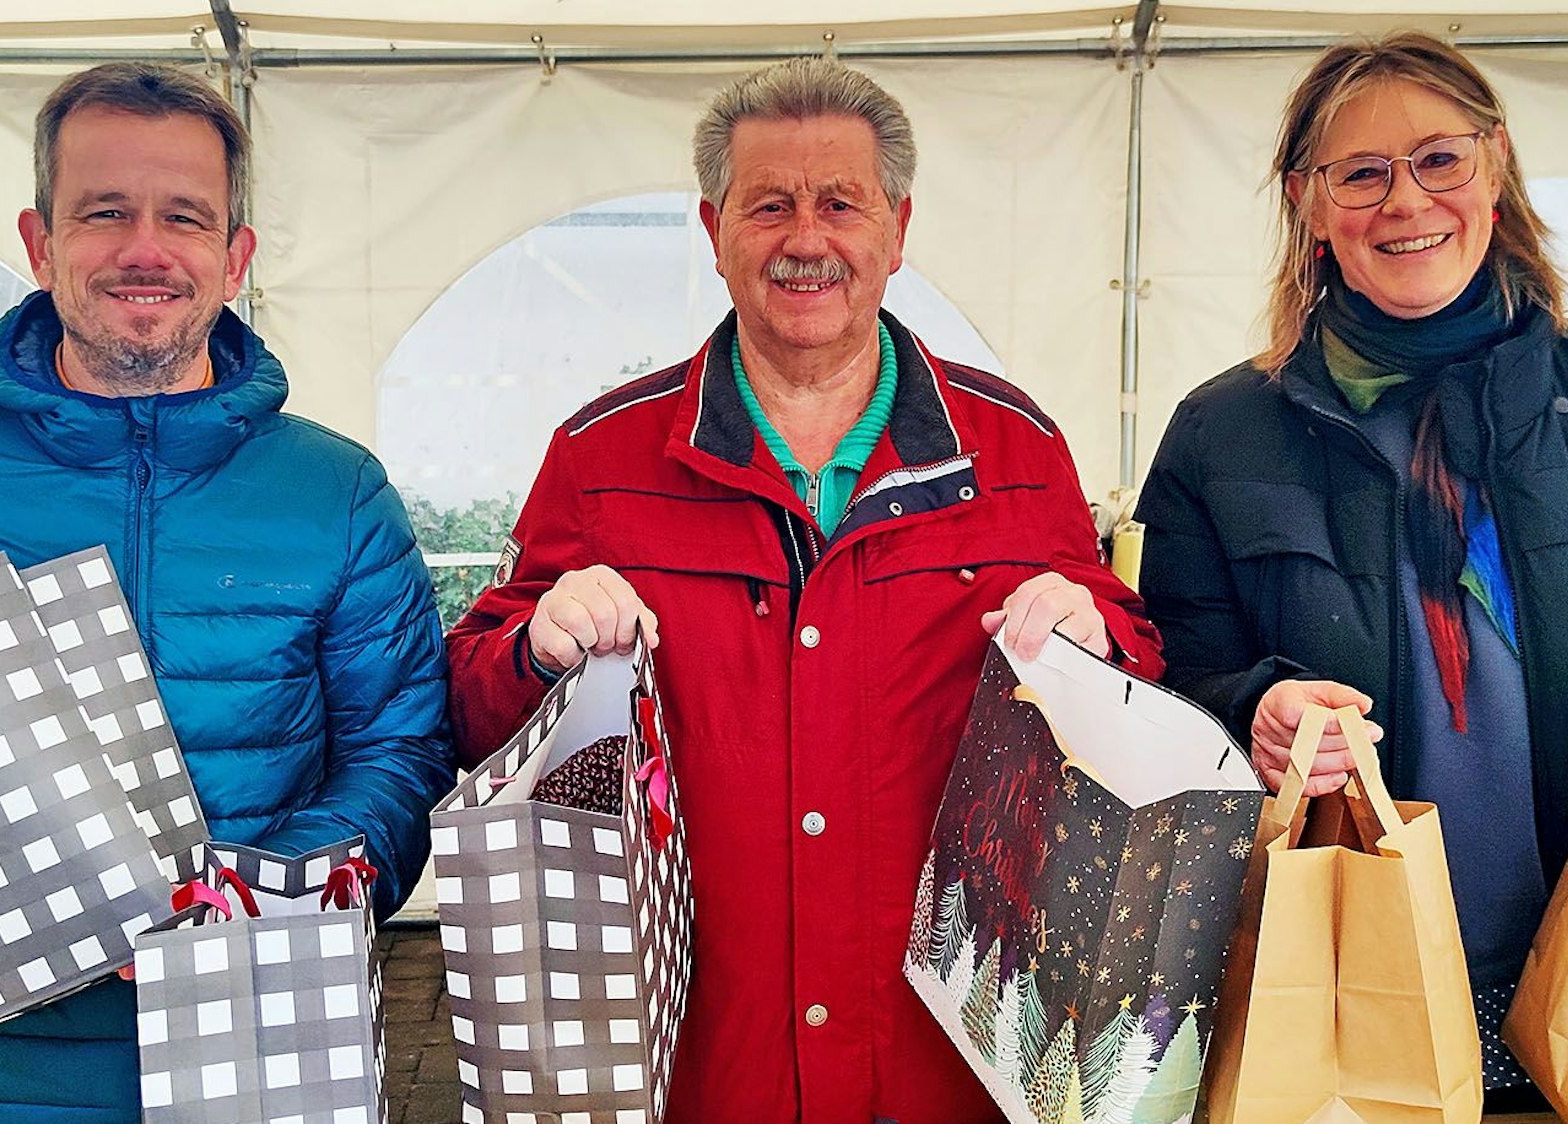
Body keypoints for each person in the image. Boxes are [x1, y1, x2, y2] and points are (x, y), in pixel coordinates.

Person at [446, 57, 1164, 1123]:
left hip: (945, 1053)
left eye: (841, 203)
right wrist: (537, 643)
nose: (805, 238)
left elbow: (1136, 675)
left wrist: (1094, 634)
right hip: (700, 1051)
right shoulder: (601, 457)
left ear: (897, 227)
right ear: (715, 227)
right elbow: (475, 705)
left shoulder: (1012, 444)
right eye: (769, 204)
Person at [1134, 30, 1568, 1109]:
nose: (1405, 201)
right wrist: (1254, 707)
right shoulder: (1224, 432)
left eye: (1438, 158)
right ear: (1307, 203)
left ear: (1495, 171)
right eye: (1360, 172)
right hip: (1342, 987)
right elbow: (1175, 680)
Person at [0, 63, 455, 1122]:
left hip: (270, 1041)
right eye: (104, 211)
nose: (144, 249)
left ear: (234, 256)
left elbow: (401, 749)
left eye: (184, 218)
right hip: (7, 1071)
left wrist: (264, 903)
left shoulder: (333, 491)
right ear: (39, 240)